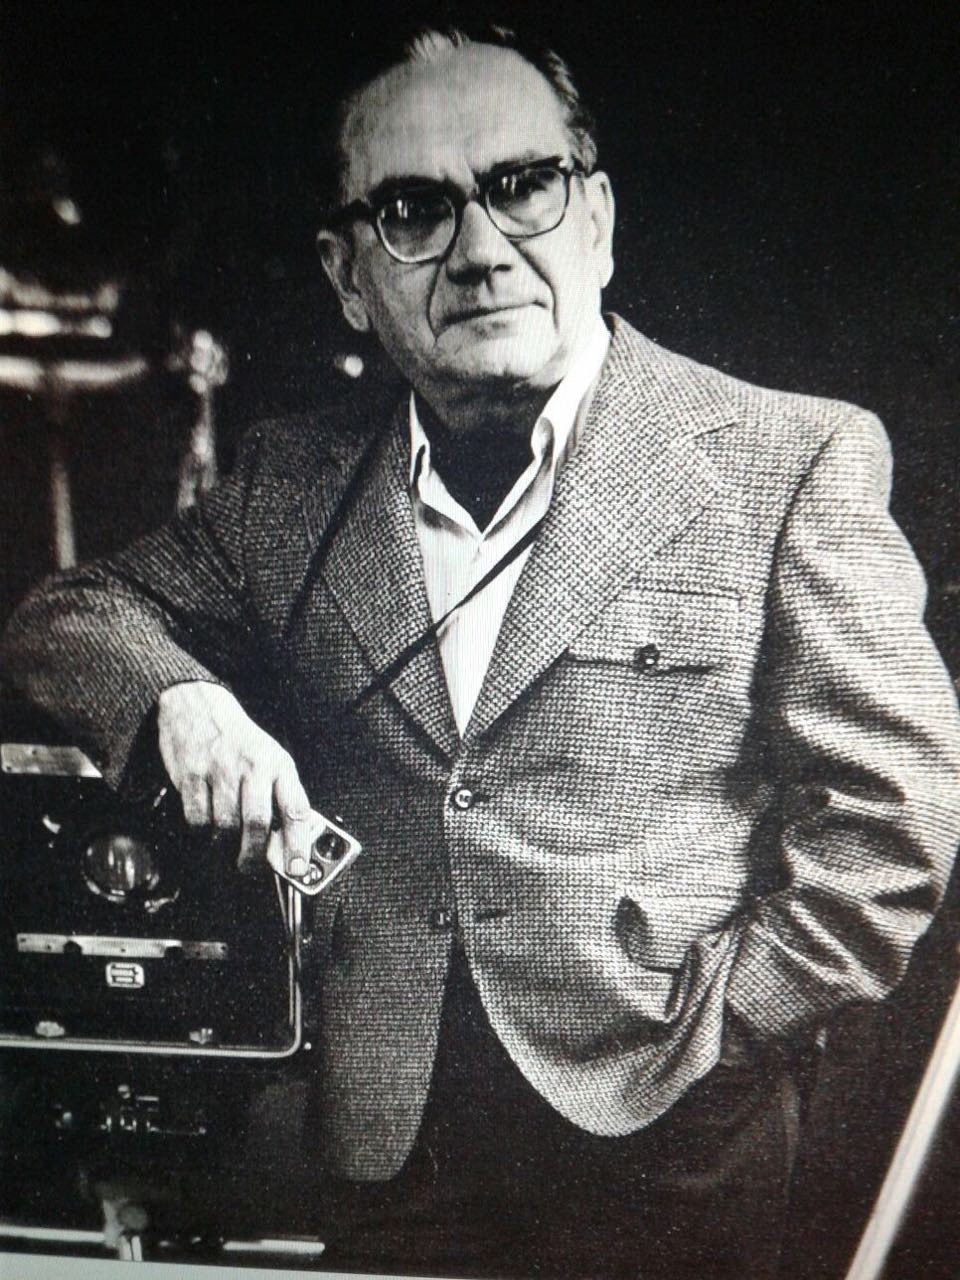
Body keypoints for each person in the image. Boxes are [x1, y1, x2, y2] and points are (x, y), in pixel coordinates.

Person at [3, 22, 960, 1280]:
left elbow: (900, 812)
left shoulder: (788, 459)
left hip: (678, 1139)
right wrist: (178, 696)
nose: (481, 249)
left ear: (596, 219)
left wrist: (729, 1028)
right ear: (348, 275)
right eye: (414, 210)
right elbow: (64, 615)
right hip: (383, 1140)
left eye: (522, 186)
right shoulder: (290, 484)